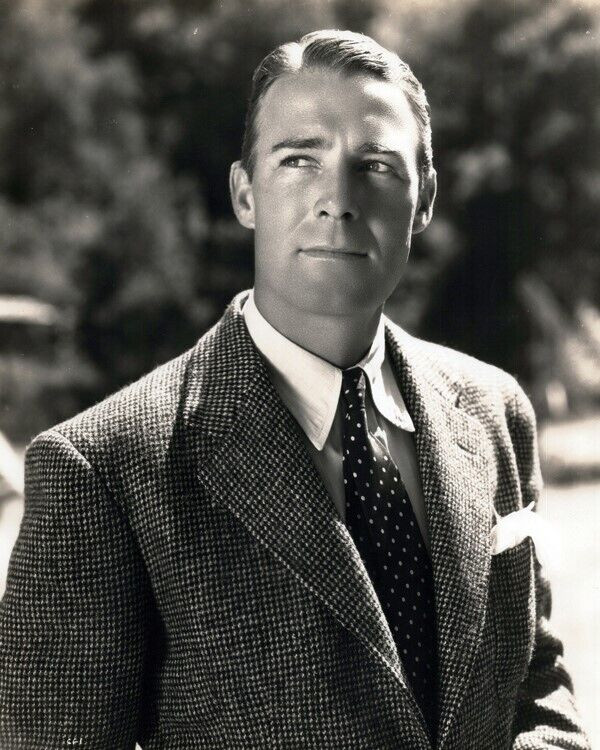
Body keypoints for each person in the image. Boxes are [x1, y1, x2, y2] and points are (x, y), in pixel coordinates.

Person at [0, 29, 590, 750]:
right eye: (299, 160)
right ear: (245, 194)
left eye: (375, 165)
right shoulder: (102, 471)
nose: (337, 200)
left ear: (424, 200)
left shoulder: (496, 411)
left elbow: (534, 688)